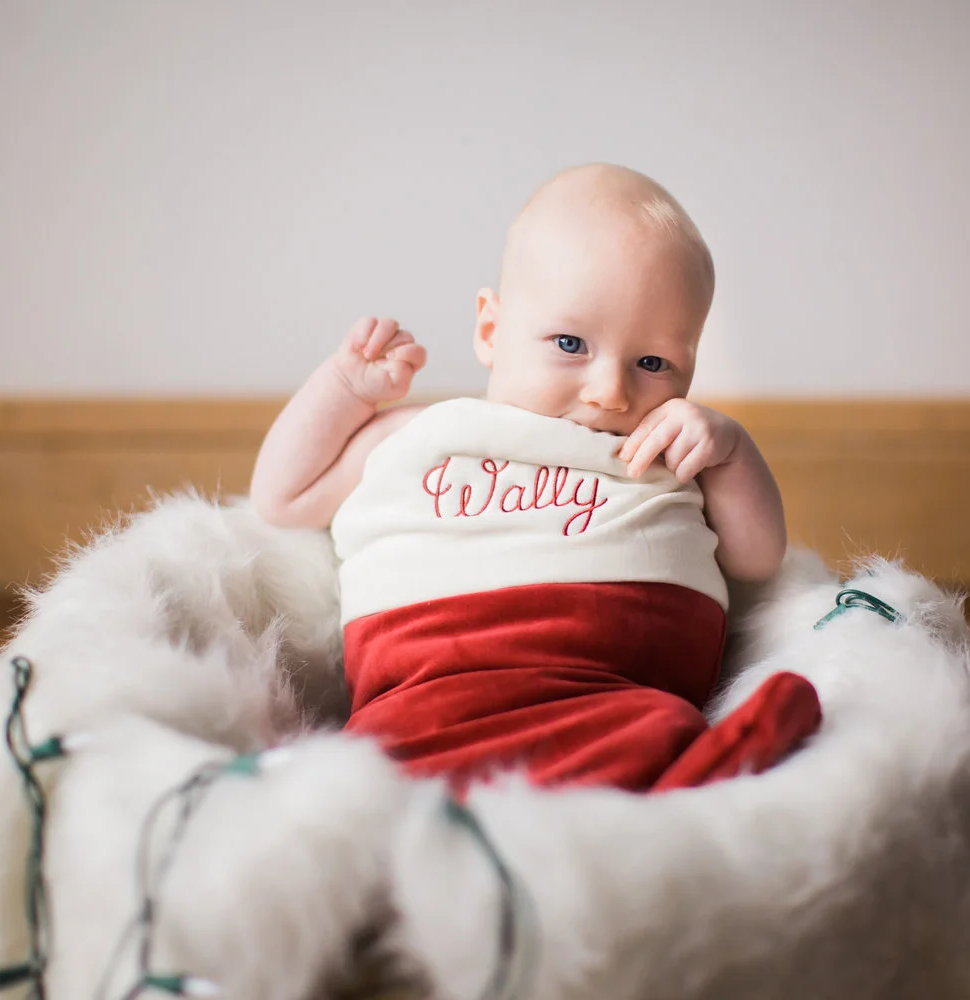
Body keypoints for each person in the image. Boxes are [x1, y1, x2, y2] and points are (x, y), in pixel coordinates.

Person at [250, 164, 820, 792]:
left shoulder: (668, 445)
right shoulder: (427, 432)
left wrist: (731, 450)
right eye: (571, 345)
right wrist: (343, 390)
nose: (610, 392)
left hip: (619, 687)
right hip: (432, 683)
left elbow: (758, 558)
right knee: (383, 754)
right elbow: (284, 496)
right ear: (491, 330)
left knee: (657, 724)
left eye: (653, 362)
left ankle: (684, 774)